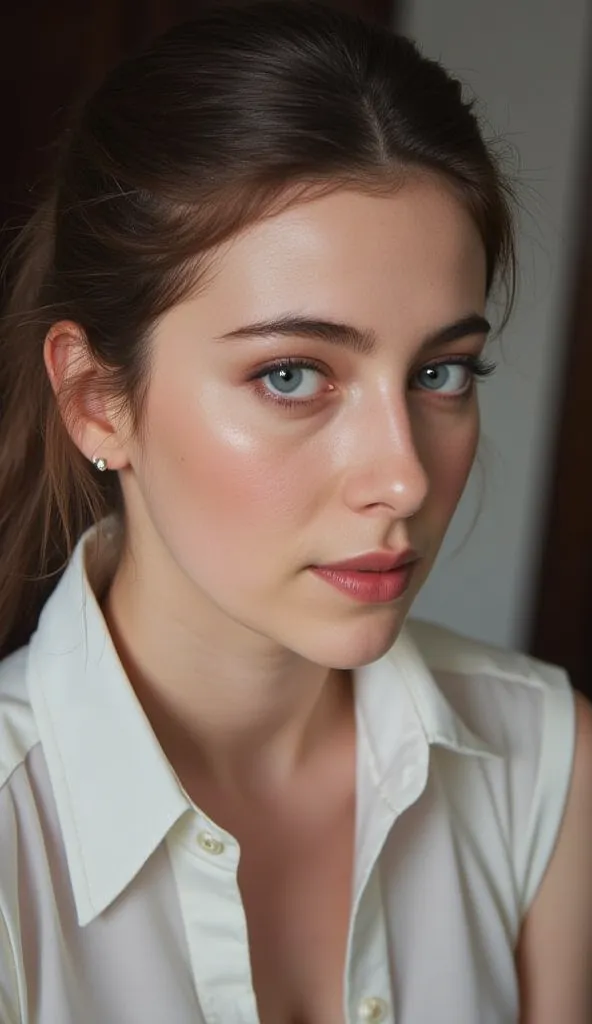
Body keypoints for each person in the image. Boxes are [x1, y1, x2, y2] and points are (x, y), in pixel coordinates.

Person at [0, 1, 590, 1021]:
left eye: (441, 370)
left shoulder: (542, 762)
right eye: (290, 375)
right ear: (100, 400)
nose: (402, 478)